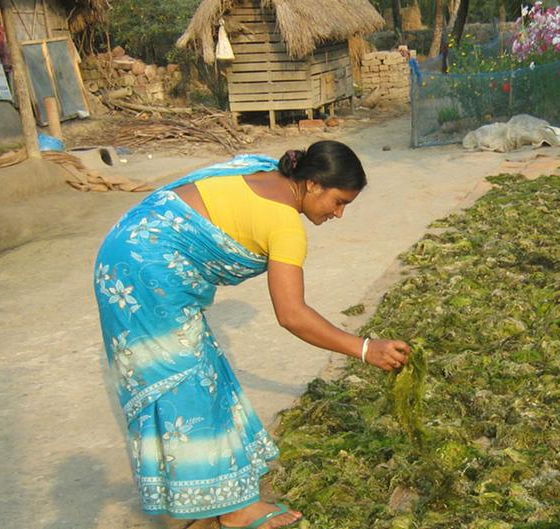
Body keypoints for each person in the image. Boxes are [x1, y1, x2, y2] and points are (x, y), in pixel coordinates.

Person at [94, 140, 412, 529]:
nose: (339, 214)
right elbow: (292, 315)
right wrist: (364, 349)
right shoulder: (284, 226)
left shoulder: (268, 169)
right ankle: (217, 509)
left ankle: (226, 493)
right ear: (312, 184)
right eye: (338, 201)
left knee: (205, 370)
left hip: (129, 241)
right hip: (142, 269)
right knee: (181, 379)